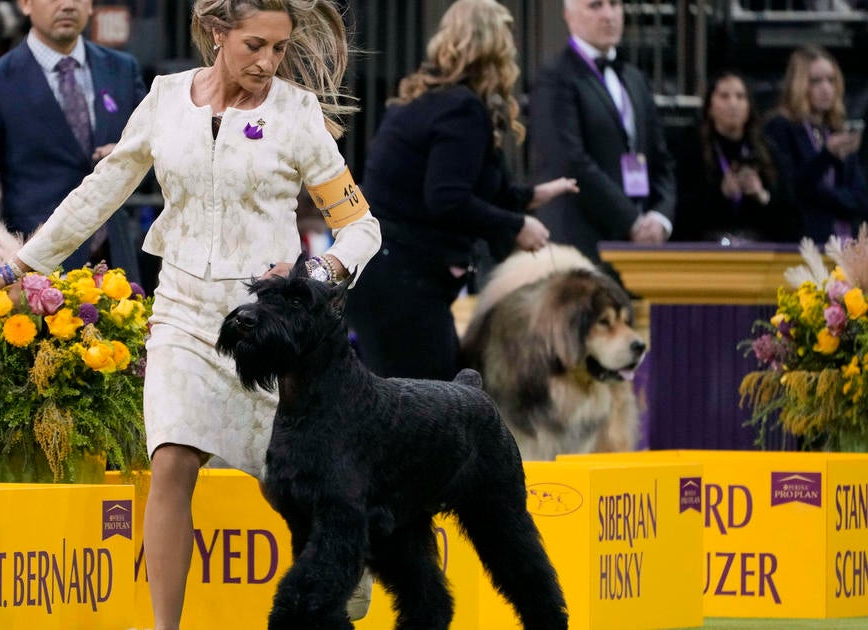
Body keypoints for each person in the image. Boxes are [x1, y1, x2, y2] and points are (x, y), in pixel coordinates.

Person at [0, 1, 381, 627]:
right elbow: (101, 190)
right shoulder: (165, 97)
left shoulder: (298, 114)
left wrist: (318, 274)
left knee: (298, 482)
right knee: (172, 461)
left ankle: (349, 555)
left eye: (280, 49)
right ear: (216, 32)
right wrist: (20, 269)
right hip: (181, 310)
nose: (268, 62)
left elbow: (360, 226)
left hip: (268, 327)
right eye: (255, 45)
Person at [343, 0, 575, 380]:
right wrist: (517, 225)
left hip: (386, 277)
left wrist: (529, 197)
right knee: (431, 406)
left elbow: (459, 188)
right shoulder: (462, 110)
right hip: (401, 285)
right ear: (496, 48)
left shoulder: (431, 101)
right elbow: (447, 199)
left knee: (426, 400)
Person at [0, 0, 146, 283]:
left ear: (90, 6)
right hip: (35, 261)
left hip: (115, 257)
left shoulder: (122, 69)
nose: (67, 5)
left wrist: (127, 155)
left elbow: (156, 148)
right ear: (26, 5)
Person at [530, 0, 675, 277]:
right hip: (581, 245)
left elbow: (662, 159)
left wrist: (660, 218)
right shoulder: (555, 76)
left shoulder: (634, 78)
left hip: (638, 250)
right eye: (595, 6)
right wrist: (631, 221)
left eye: (615, 4)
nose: (609, 15)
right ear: (568, 16)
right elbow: (570, 162)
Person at [673, 71, 801, 243]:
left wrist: (763, 196)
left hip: (758, 252)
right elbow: (680, 213)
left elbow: (792, 219)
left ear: (749, 106)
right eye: (724, 96)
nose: (733, 104)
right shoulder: (691, 148)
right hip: (706, 250)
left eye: (740, 97)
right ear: (710, 107)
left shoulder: (768, 151)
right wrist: (720, 194)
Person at [764, 46, 868, 242]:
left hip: (846, 243)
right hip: (803, 244)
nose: (826, 88)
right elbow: (792, 190)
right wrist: (826, 155)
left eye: (831, 80)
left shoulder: (836, 128)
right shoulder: (781, 127)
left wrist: (824, 196)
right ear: (799, 84)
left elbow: (861, 198)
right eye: (815, 81)